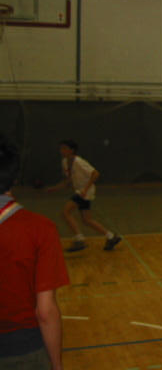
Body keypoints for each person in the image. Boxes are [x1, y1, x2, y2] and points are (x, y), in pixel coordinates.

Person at [0, 134, 69, 369]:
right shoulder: (40, 229)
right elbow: (45, 311)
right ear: (15, 177)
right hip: (22, 349)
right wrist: (56, 365)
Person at [46, 140, 121, 252]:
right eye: (61, 148)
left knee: (66, 212)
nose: (61, 150)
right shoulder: (65, 162)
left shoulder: (79, 162)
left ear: (72, 150)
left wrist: (85, 189)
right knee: (87, 219)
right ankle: (111, 236)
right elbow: (68, 180)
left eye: (64, 148)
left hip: (85, 191)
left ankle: (79, 239)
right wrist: (54, 188)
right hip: (80, 191)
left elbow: (95, 174)